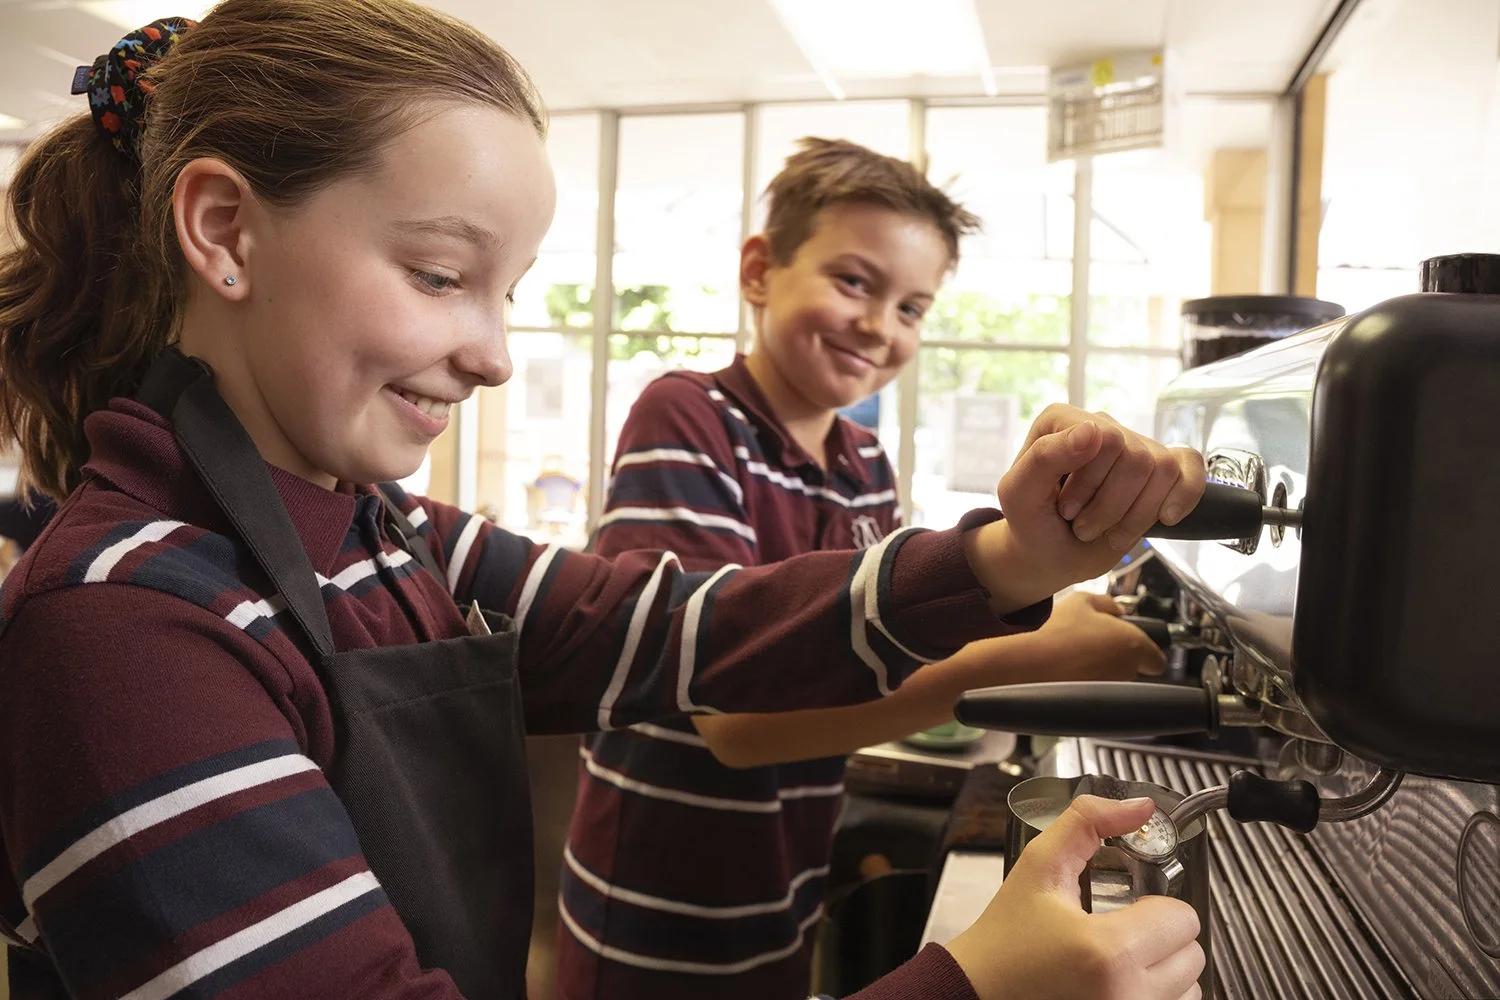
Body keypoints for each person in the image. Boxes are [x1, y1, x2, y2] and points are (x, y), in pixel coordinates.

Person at [0, 3, 1206, 999]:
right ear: (224, 232)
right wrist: (974, 984)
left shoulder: (388, 527)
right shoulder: (125, 631)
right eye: (439, 275)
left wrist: (1009, 558)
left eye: (507, 292)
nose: (494, 357)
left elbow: (671, 625)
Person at [556, 139, 1172, 1000]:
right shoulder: (689, 416)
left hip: (785, 887)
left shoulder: (864, 464)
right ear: (760, 271)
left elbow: (874, 662)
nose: (882, 327)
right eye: (854, 282)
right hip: (656, 908)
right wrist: (1027, 655)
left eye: (912, 307)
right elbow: (732, 721)